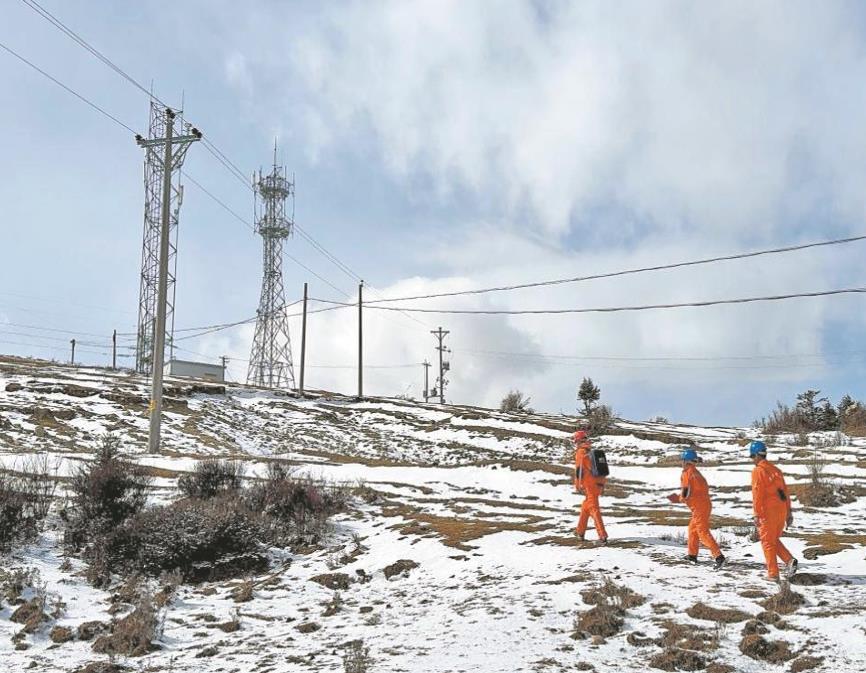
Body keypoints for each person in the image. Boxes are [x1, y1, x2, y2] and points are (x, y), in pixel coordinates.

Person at [667, 448, 726, 569]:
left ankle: (719, 557)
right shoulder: (695, 472)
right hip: (703, 506)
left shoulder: (687, 473)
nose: (681, 462)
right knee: (692, 530)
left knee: (702, 533)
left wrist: (677, 499)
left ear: (686, 461)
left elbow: (686, 493)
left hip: (699, 508)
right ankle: (692, 555)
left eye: (682, 460)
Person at [749, 440, 798, 581]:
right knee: (772, 539)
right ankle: (789, 561)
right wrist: (788, 513)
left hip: (767, 512)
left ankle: (773, 574)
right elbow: (785, 493)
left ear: (756, 455)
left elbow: (757, 493)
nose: (752, 460)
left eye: (752, 456)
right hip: (781, 511)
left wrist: (756, 514)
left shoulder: (758, 471)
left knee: (767, 541)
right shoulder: (776, 471)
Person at [573, 430, 608, 543]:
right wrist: (602, 485)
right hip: (598, 484)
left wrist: (578, 485)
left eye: (575, 441)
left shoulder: (581, 452)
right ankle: (580, 532)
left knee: (593, 509)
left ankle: (602, 536)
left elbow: (579, 471)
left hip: (589, 485)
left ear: (578, 440)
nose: (575, 443)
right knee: (585, 507)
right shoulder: (591, 452)